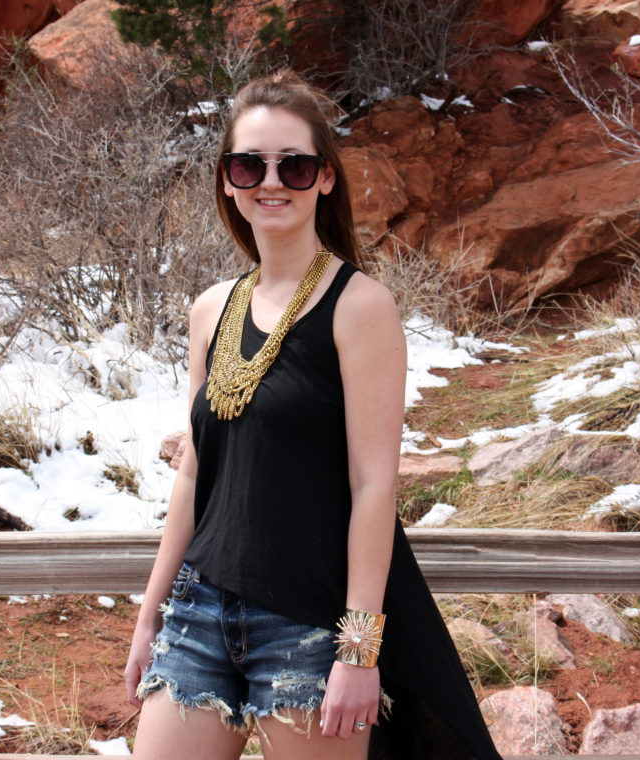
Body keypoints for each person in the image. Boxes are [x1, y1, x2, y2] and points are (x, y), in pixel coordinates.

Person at [123, 70, 502, 760]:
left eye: (293, 165)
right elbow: (197, 473)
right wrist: (150, 616)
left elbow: (373, 487)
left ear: (324, 179)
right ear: (229, 181)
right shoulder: (210, 309)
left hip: (307, 624)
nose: (272, 181)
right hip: (200, 614)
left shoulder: (360, 308)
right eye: (250, 164)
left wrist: (359, 650)